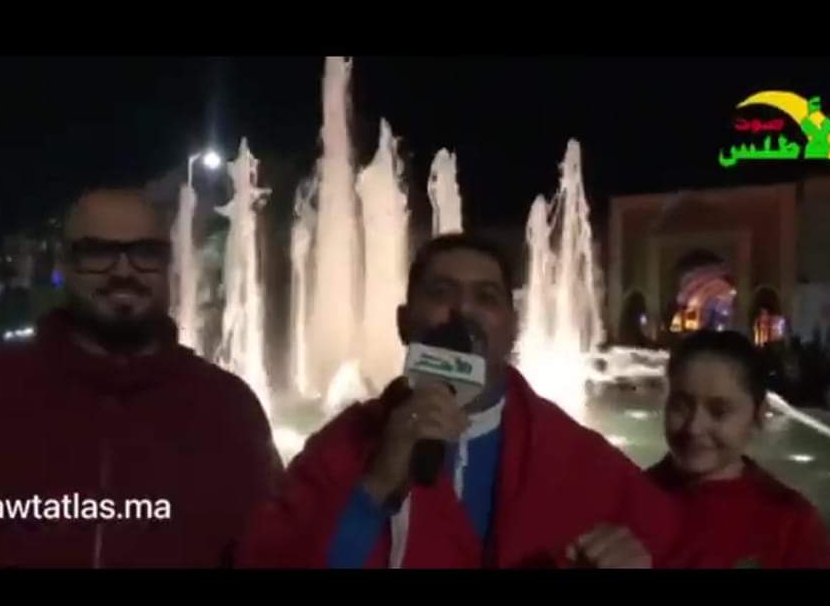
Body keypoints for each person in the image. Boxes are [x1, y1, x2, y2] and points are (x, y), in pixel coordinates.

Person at [236, 233, 683, 568]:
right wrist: (374, 487)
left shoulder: (576, 456)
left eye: (486, 297)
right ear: (403, 323)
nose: (463, 311)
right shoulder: (342, 446)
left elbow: (683, 542)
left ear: (513, 328)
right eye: (440, 293)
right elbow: (267, 555)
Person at [0, 187, 282, 568]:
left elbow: (272, 551)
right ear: (65, 265)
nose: (123, 271)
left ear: (168, 265)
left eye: (145, 253)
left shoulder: (229, 410)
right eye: (98, 253)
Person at [646, 330, 830, 568]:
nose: (694, 427)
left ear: (758, 415)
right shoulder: (629, 498)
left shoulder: (790, 524)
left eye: (719, 411)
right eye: (680, 406)